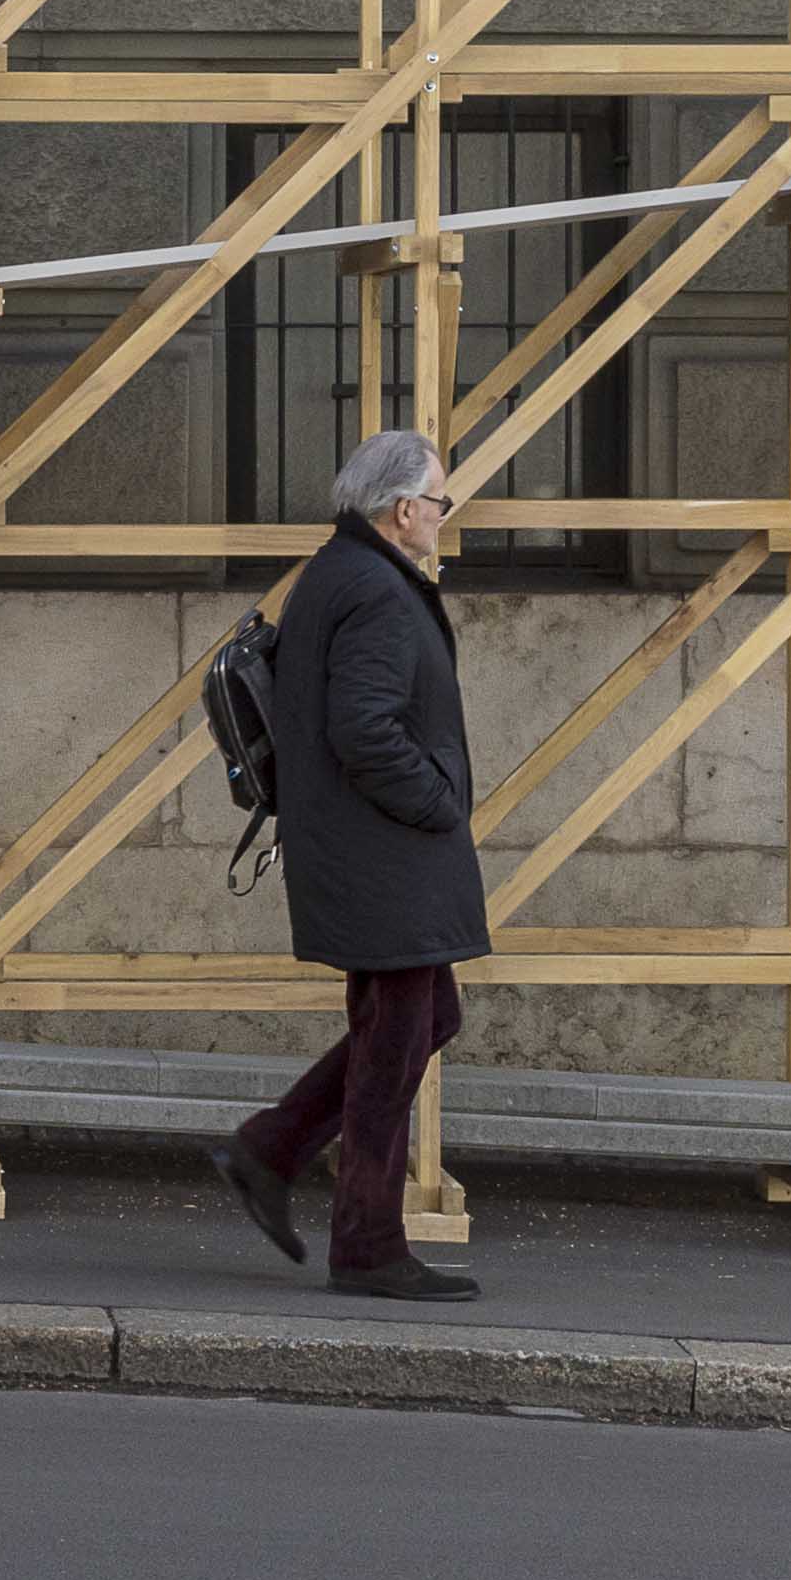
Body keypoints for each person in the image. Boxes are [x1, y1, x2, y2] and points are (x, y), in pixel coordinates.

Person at [217, 427, 488, 1301]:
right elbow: (365, 728)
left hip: (368, 853)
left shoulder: (341, 572)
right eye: (440, 503)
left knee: (423, 1019)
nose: (443, 518)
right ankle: (367, 1244)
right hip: (385, 855)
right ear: (404, 510)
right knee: (396, 1042)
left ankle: (270, 1148)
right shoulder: (374, 588)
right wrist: (437, 802)